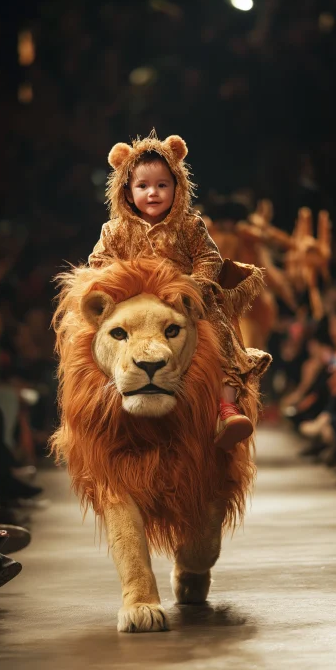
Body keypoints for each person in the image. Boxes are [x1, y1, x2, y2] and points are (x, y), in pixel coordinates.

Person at [88, 131, 271, 449]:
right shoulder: (114, 230)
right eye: (143, 186)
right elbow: (98, 261)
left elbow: (209, 257)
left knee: (218, 333)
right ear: (128, 193)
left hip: (182, 300)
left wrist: (195, 287)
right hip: (133, 300)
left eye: (162, 185)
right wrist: (116, 285)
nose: (153, 193)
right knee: (86, 339)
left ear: (177, 188)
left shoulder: (190, 225)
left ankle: (225, 407)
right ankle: (93, 413)